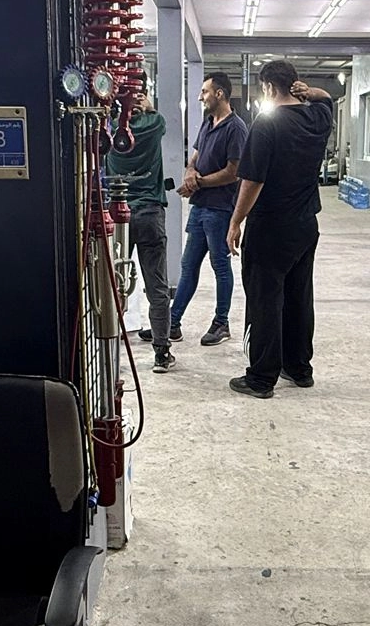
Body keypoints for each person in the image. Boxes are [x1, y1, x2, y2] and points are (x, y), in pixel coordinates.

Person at [226, 60, 334, 399]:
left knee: (265, 301)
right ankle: (299, 368)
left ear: (269, 88)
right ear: (295, 85)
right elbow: (326, 97)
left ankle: (261, 378)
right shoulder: (317, 117)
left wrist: (236, 221)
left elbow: (253, 180)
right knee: (299, 297)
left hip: (270, 227)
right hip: (305, 225)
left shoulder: (266, 124)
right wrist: (309, 91)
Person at [170, 72, 247, 347]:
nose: (200, 97)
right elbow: (196, 156)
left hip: (220, 209)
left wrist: (198, 182)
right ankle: (172, 323)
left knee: (220, 266)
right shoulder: (208, 123)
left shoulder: (236, 128)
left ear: (219, 94)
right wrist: (190, 172)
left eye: (204, 91)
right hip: (200, 207)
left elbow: (233, 172)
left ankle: (221, 323)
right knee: (188, 266)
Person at [106, 98, 174, 372]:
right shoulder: (154, 123)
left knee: (113, 284)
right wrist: (149, 107)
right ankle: (161, 353)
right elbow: (160, 121)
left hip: (117, 215)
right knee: (157, 287)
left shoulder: (109, 128)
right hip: (149, 213)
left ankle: (109, 351)